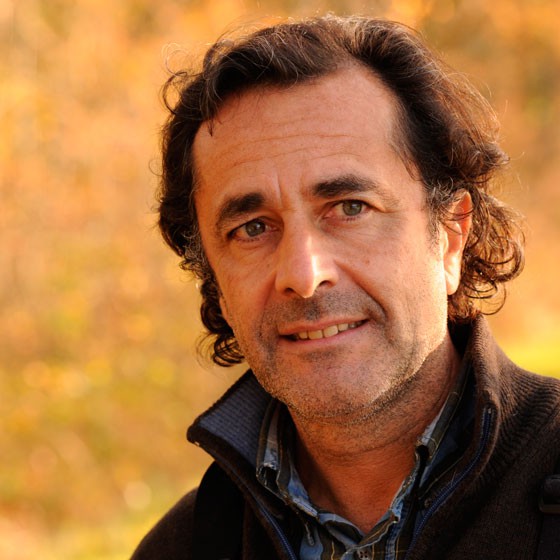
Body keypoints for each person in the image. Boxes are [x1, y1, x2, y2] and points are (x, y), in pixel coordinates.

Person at [132, 15, 560, 560]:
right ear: (215, 282)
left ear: (451, 236)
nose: (304, 274)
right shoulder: (183, 547)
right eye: (253, 228)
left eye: (350, 208)